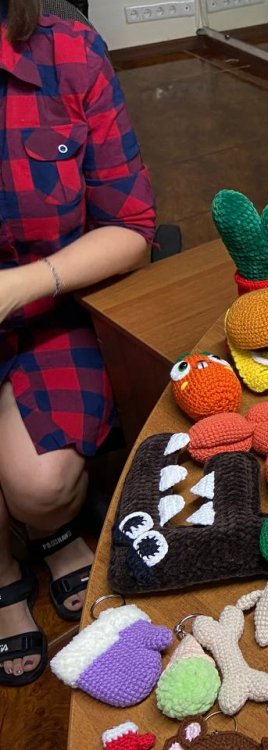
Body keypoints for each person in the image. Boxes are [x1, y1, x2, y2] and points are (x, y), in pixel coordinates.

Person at [0, 0, 155, 686]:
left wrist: (23, 285)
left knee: (41, 485)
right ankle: (4, 568)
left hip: (51, 306)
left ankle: (49, 526)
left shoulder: (69, 51)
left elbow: (132, 228)